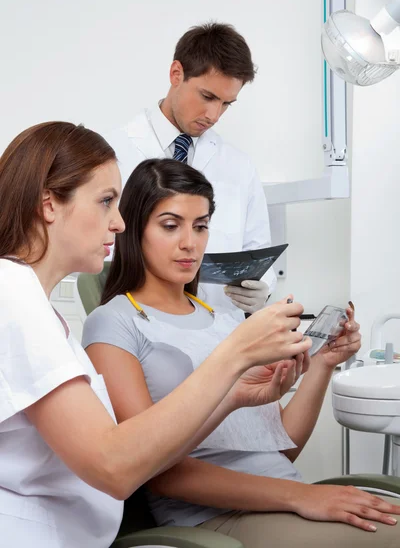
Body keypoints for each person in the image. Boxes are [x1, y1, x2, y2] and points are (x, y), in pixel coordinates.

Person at [0, 123, 311, 548]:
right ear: (48, 204)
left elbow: (131, 451)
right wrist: (233, 355)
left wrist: (235, 392)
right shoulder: (13, 294)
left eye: (200, 226)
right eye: (106, 201)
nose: (119, 222)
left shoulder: (34, 304)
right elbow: (115, 465)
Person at [83, 158, 400, 548]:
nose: (190, 242)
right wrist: (302, 497)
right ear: (134, 228)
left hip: (282, 497)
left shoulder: (227, 320)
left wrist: (322, 364)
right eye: (170, 225)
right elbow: (152, 469)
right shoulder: (114, 322)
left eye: (201, 227)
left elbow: (279, 450)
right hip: (211, 519)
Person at [106, 22, 275, 318]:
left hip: (221, 332)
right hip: (138, 325)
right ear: (176, 74)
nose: (214, 115)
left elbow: (258, 252)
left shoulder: (238, 166)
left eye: (226, 104)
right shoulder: (113, 153)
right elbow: (98, 251)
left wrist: (262, 287)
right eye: (207, 97)